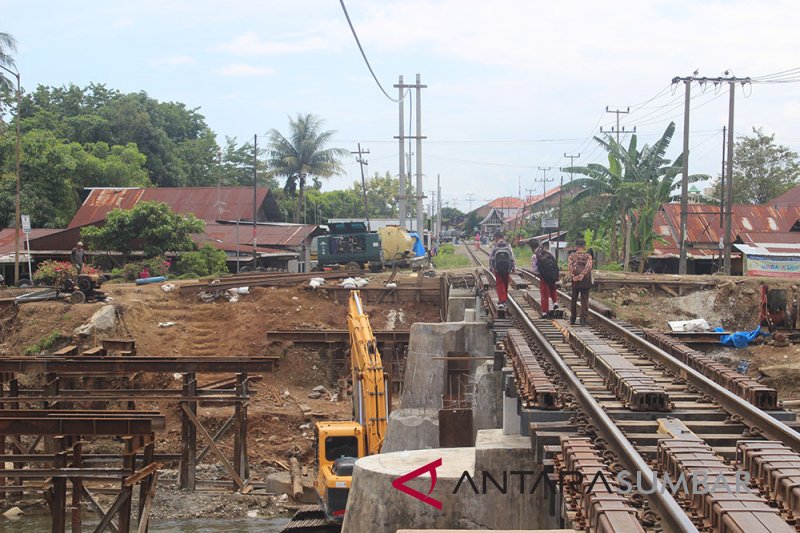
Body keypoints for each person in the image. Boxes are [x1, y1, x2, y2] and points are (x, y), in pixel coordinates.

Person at [568, 238, 593, 326]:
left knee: (574, 299)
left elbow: (570, 267)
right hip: (585, 281)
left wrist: (574, 276)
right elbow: (588, 267)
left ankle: (573, 318)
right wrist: (582, 275)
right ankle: (583, 320)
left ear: (576, 246)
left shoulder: (572, 256)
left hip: (575, 281)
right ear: (584, 246)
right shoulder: (588, 256)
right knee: (584, 300)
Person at [489, 230, 515, 310]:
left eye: (495, 238)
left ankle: (501, 301)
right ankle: (504, 300)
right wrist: (513, 267)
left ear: (497, 237)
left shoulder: (495, 246)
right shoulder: (508, 245)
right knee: (505, 283)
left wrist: (491, 267)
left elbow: (491, 257)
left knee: (499, 284)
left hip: (498, 269)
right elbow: (512, 257)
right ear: (502, 237)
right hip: (507, 268)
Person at [535, 241, 560, 318]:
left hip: (544, 277)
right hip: (552, 274)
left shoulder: (535, 255)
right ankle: (555, 303)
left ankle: (545, 312)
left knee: (544, 294)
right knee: (553, 289)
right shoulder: (549, 253)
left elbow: (535, 269)